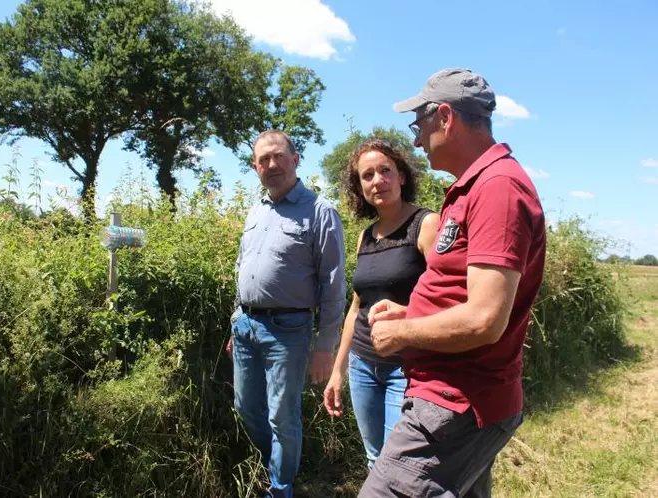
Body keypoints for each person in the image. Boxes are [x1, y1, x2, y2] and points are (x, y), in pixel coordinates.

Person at [358, 68, 546, 498]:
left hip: (456, 401)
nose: (416, 139)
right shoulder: (474, 187)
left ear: (446, 118)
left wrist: (401, 333)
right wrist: (413, 312)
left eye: (419, 124)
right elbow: (466, 294)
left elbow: (484, 320)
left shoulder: (498, 189)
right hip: (452, 395)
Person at [229, 130, 346, 498]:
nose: (271, 165)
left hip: (288, 330)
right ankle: (274, 465)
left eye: (278, 156)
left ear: (296, 159)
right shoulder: (256, 210)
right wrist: (236, 321)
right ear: (255, 167)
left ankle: (280, 488)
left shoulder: (320, 212)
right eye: (263, 160)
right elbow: (242, 267)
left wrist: (325, 346)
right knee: (246, 407)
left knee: (282, 416)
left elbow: (334, 286)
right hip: (246, 326)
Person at [322, 139, 439, 469]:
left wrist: (407, 317)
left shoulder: (426, 225)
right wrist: (338, 370)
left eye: (385, 171)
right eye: (367, 175)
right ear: (360, 187)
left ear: (402, 176)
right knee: (375, 460)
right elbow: (356, 307)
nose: (377, 181)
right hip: (362, 366)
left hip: (408, 369)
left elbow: (451, 296)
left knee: (401, 465)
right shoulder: (366, 236)